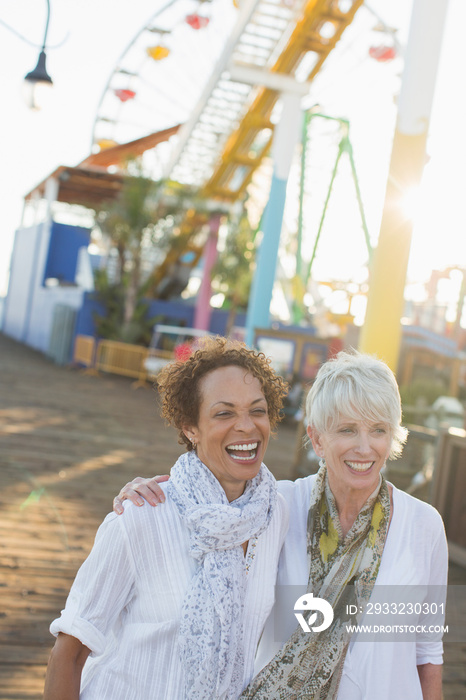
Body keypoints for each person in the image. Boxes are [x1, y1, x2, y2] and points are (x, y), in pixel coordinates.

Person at [115, 351, 448, 700]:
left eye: (378, 430)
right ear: (317, 439)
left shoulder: (423, 525)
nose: (364, 448)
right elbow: (207, 512)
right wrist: (153, 493)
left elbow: (427, 651)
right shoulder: (276, 505)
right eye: (348, 429)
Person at [44, 337, 289, 700]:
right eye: (224, 413)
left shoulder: (277, 513)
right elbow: (69, 653)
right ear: (191, 427)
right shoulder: (141, 516)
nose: (247, 426)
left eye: (257, 410)